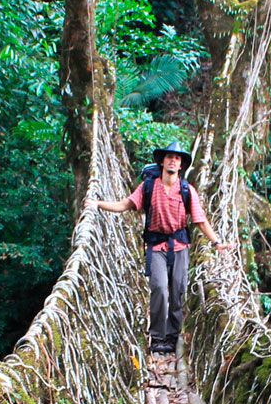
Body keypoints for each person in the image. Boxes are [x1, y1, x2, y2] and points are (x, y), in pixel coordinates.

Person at [88, 143, 235, 353]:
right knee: (159, 288)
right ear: (162, 162)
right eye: (169, 157)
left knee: (178, 291)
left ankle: (172, 337)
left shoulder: (187, 190)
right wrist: (97, 204)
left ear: (181, 165)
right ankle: (157, 337)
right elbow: (124, 205)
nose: (173, 161)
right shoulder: (148, 187)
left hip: (180, 246)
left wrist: (217, 243)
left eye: (177, 158)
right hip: (156, 246)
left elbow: (200, 220)